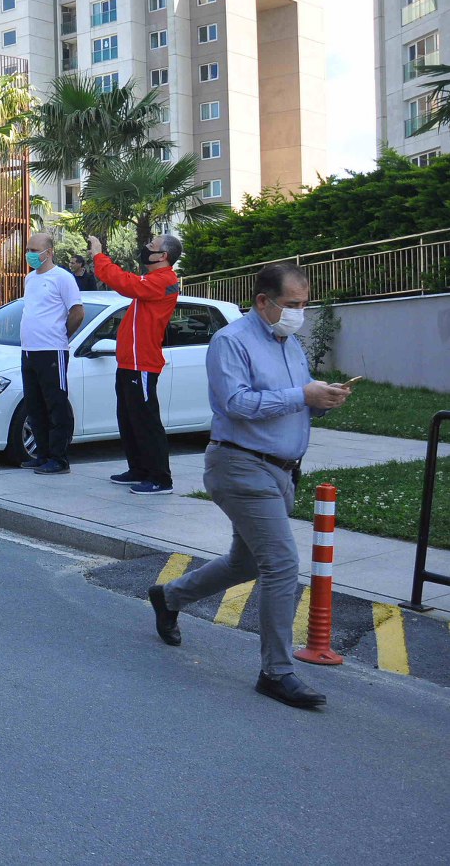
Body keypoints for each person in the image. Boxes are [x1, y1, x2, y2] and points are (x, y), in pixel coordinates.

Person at [148, 263, 351, 709]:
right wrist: (303, 396)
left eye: (304, 304)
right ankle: (276, 672)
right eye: (292, 304)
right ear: (263, 301)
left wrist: (323, 399)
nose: (300, 312)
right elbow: (236, 404)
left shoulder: (289, 344)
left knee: (247, 560)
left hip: (280, 470)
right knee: (280, 563)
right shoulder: (231, 342)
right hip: (240, 466)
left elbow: (295, 403)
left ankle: (170, 596)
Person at [90, 233, 182, 496]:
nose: (146, 248)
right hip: (131, 362)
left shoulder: (164, 280)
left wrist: (99, 255)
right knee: (129, 418)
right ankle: (139, 469)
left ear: (163, 256)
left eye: (151, 246)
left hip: (143, 363)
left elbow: (125, 283)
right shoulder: (155, 281)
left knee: (145, 420)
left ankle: (160, 478)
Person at [19, 232, 85, 474]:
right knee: (34, 404)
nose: (30, 254)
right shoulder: (30, 278)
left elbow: (77, 312)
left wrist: (60, 335)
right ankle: (42, 454)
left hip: (51, 349)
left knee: (55, 403)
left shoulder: (62, 278)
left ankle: (59, 458)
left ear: (49, 252)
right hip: (29, 350)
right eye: (28, 249)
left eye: (35, 250)